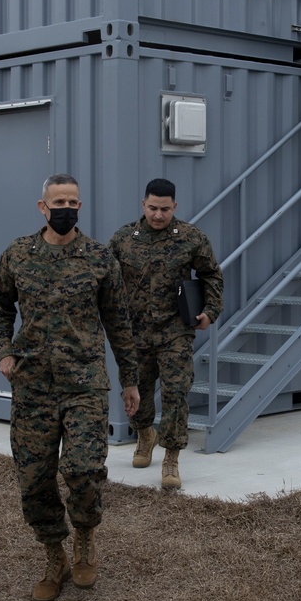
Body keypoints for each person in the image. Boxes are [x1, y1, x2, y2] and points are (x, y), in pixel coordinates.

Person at [0, 174, 140, 601]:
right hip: (32, 384)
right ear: (42, 206)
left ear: (80, 206)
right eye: (58, 201)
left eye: (73, 201)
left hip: (84, 384)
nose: (65, 208)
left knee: (83, 469)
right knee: (34, 479)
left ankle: (85, 538)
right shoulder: (17, 254)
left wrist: (130, 381)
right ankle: (55, 555)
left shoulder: (98, 257)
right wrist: (3, 351)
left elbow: (119, 323)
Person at [109, 179, 224, 491]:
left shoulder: (190, 237)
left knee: (176, 392)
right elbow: (107, 281)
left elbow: (211, 273)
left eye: (164, 209)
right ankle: (145, 433)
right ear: (142, 204)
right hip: (135, 331)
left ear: (175, 207)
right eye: (152, 208)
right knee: (136, 392)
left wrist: (210, 310)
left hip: (175, 329)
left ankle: (171, 457)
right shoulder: (122, 239)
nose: (158, 215)